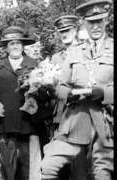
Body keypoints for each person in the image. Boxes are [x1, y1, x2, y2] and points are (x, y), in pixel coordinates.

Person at [41, 1, 114, 180]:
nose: (95, 26)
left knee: (101, 172)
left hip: (106, 122)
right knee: (49, 165)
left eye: (99, 21)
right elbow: (62, 84)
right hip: (75, 119)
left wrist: (104, 93)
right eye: (91, 22)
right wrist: (66, 94)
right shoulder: (75, 51)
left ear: (106, 21)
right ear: (84, 23)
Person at [0, 26, 42, 180]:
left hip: (29, 124)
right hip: (5, 124)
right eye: (11, 43)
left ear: (23, 45)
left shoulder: (34, 64)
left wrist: (37, 98)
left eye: (18, 43)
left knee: (30, 168)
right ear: (6, 47)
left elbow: (44, 93)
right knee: (7, 168)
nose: (15, 46)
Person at [50, 15, 89, 180]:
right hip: (60, 115)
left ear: (75, 30)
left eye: (67, 30)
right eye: (61, 32)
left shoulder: (86, 51)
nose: (64, 34)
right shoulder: (56, 57)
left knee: (82, 162)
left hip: (82, 111)